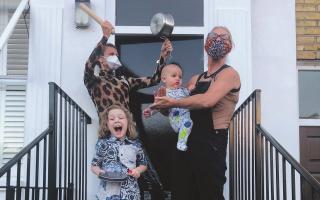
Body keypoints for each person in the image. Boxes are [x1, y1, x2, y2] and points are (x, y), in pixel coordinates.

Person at [151, 26, 241, 200]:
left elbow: (207, 101)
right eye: (214, 35)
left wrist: (173, 101)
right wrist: (162, 105)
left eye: (224, 37)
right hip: (186, 140)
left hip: (211, 142)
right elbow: (178, 109)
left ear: (230, 44)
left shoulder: (229, 74)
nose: (218, 39)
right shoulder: (195, 79)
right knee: (182, 192)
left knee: (209, 193)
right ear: (206, 42)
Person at [83, 20, 172, 194]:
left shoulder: (124, 81)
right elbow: (88, 65)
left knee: (145, 173)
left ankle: (155, 194)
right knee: (114, 180)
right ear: (101, 58)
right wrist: (105, 36)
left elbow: (153, 79)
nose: (115, 57)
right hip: (108, 135)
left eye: (116, 54)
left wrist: (162, 58)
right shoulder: (93, 82)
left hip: (130, 134)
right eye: (111, 54)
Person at [91, 105, 147, 200]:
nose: (117, 120)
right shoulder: (102, 144)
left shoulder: (136, 144)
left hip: (131, 192)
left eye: (121, 117)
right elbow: (94, 165)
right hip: (107, 194)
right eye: (112, 119)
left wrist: (137, 170)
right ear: (107, 124)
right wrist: (100, 172)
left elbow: (143, 164)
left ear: (128, 122)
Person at [143, 63, 193, 151]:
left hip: (185, 118)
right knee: (186, 123)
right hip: (176, 119)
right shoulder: (164, 92)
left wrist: (192, 89)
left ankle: (181, 143)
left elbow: (191, 96)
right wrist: (150, 111)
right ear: (164, 79)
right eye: (174, 76)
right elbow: (158, 105)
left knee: (188, 123)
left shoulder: (183, 90)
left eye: (180, 77)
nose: (178, 78)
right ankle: (181, 142)